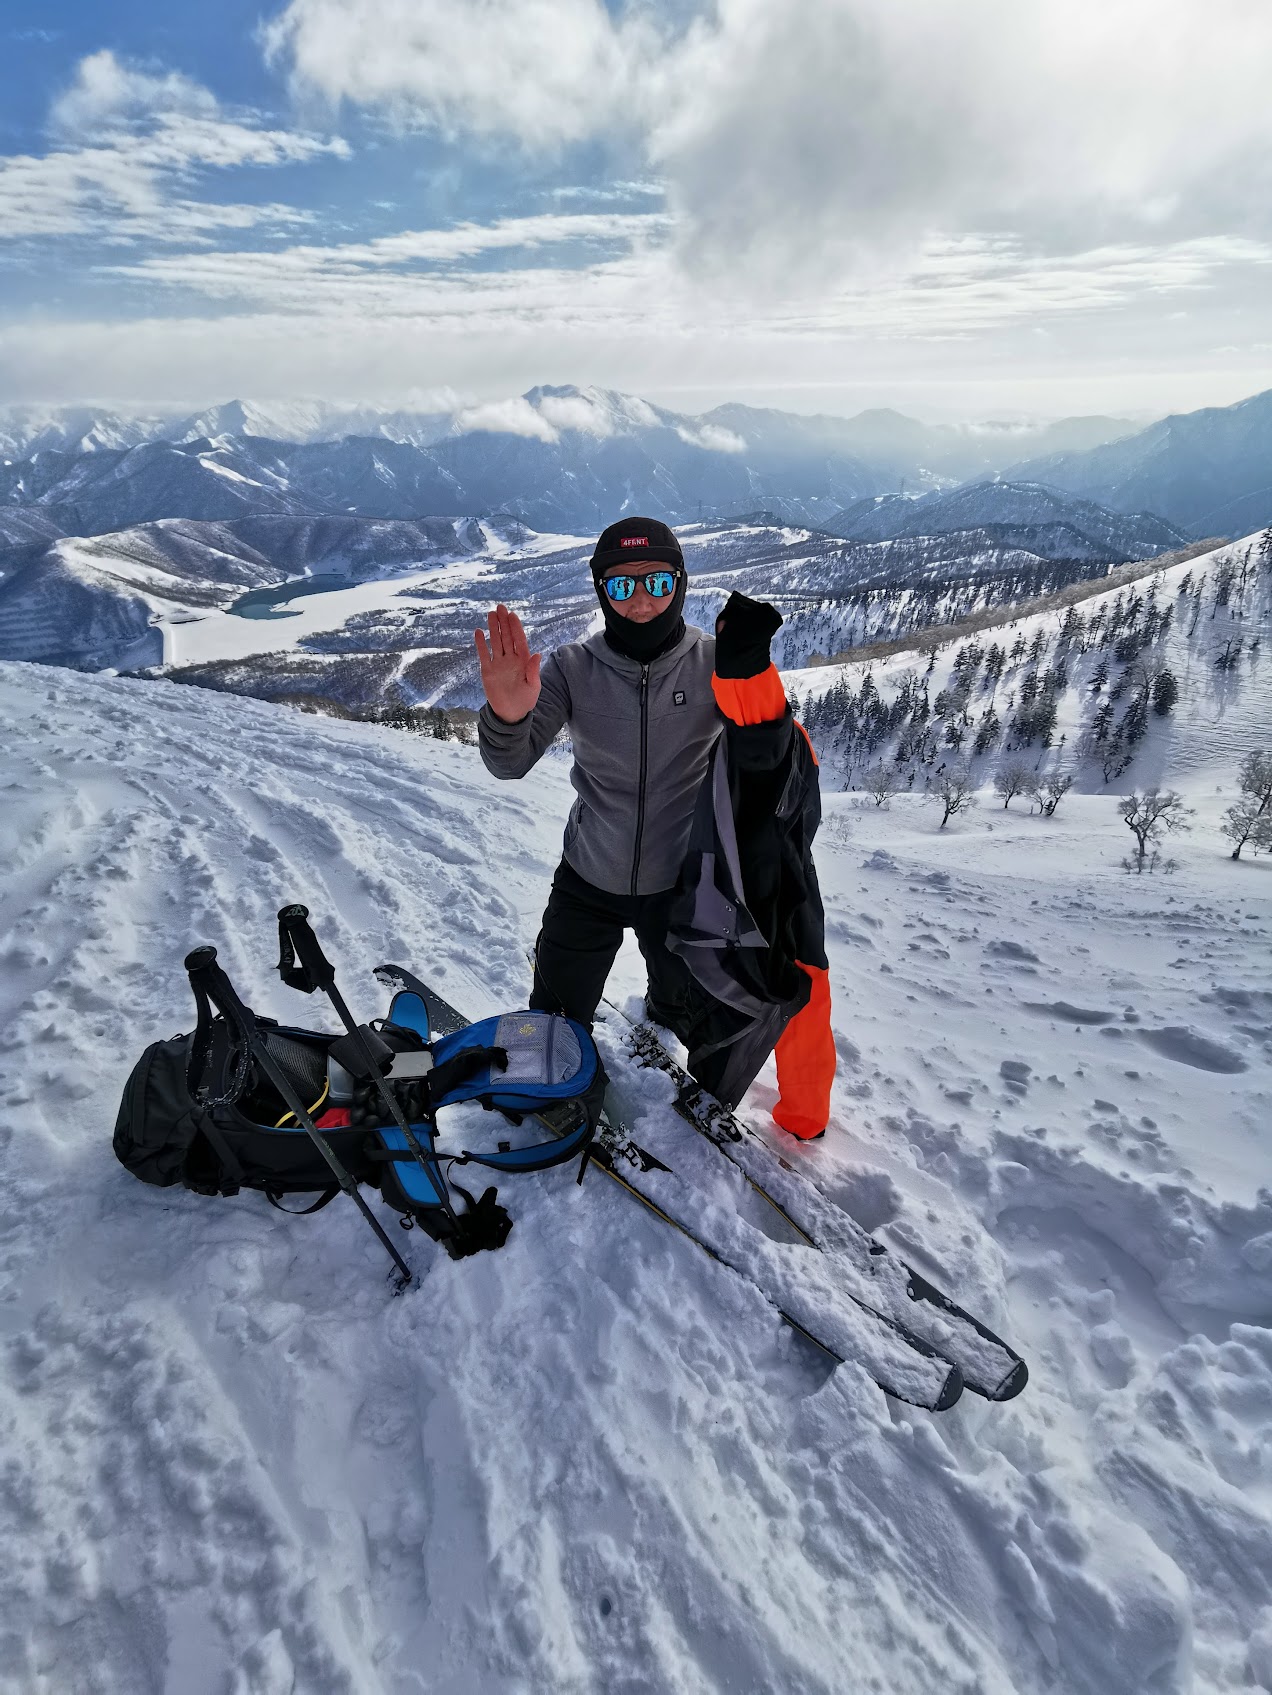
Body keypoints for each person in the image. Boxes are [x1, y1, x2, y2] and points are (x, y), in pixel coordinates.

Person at [475, 516, 834, 1139]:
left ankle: (677, 1047)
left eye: (657, 582)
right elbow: (510, 762)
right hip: (588, 876)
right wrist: (508, 715)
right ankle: (551, 1082)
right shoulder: (569, 667)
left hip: (681, 890)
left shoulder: (713, 665)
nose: (641, 599)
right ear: (600, 593)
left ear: (681, 583)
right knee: (556, 1015)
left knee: (690, 1015)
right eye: (621, 587)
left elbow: (769, 758)